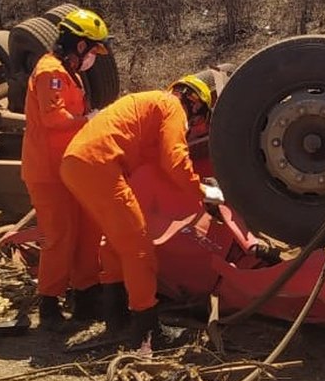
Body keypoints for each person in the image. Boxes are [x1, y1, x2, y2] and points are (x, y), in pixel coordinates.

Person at [59, 76, 223, 346]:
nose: (192, 128)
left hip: (77, 164)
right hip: (100, 164)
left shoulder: (149, 106)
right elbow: (175, 161)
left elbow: (156, 166)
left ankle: (117, 319)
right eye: (197, 121)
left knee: (116, 243)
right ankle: (147, 330)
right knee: (139, 247)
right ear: (194, 104)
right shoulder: (172, 108)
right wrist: (203, 191)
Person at [20, 8, 111, 330]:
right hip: (48, 171)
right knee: (59, 236)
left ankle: (86, 296)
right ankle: (49, 302)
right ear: (80, 46)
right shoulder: (50, 72)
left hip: (71, 168)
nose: (94, 59)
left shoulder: (70, 72)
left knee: (88, 230)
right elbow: (53, 118)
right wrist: (88, 120)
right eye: (94, 50)